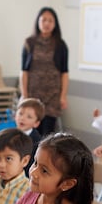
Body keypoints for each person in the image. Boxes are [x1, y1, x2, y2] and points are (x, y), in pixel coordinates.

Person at [20, 7, 69, 137]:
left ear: (55, 24)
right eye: (44, 20)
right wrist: (24, 94)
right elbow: (24, 71)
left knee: (47, 133)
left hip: (52, 96)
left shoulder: (60, 45)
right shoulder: (29, 43)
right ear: (38, 21)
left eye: (50, 21)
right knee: (32, 132)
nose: (47, 23)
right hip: (33, 94)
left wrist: (63, 96)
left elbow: (64, 73)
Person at [14, 97, 45, 176]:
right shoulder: (10, 135)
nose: (22, 118)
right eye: (20, 114)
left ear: (36, 123)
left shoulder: (37, 142)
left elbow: (32, 166)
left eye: (29, 117)